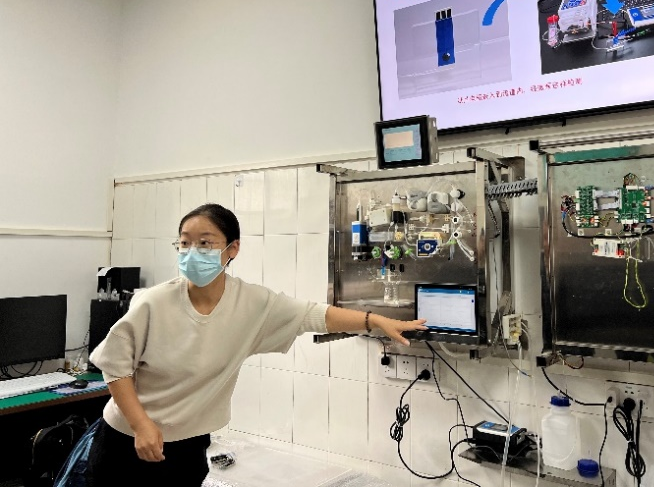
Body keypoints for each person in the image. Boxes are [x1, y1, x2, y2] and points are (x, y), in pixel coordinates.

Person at [86, 203, 426, 486]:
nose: (192, 252)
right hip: (126, 442)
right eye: (185, 243)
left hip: (188, 445)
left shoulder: (251, 304)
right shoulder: (154, 302)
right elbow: (115, 365)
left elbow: (313, 315)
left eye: (205, 243)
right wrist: (141, 425)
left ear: (232, 249)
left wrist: (374, 320)